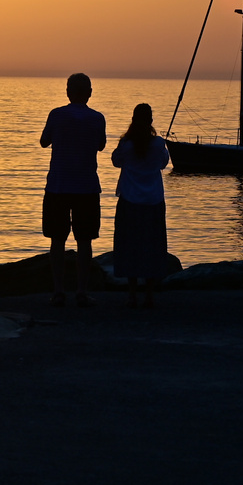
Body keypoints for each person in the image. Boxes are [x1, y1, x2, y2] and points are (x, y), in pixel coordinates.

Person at [39, 72, 107, 307]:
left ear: (68, 92)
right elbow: (101, 145)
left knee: (57, 240)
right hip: (87, 187)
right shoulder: (98, 118)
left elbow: (43, 141)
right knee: (84, 240)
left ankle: (58, 291)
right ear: (89, 93)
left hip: (58, 185)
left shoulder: (56, 115)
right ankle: (81, 291)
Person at [110, 102, 171, 308]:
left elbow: (115, 161)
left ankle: (132, 294)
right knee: (152, 247)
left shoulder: (126, 145)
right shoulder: (158, 144)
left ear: (133, 119)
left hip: (129, 201)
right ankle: (150, 295)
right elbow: (163, 163)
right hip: (153, 202)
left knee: (130, 247)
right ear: (151, 121)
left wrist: (124, 141)